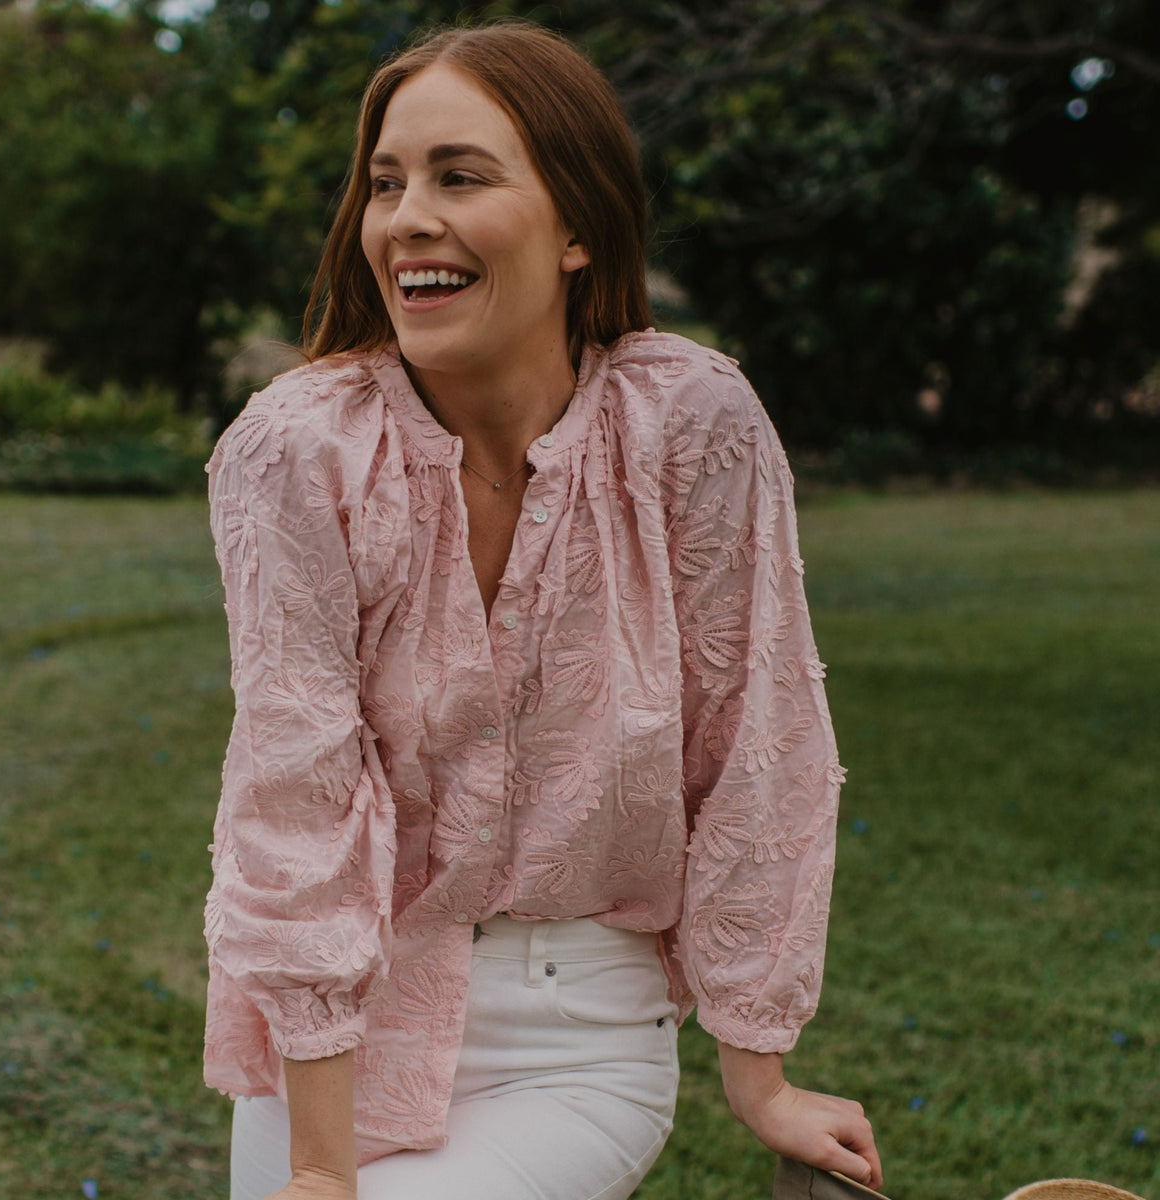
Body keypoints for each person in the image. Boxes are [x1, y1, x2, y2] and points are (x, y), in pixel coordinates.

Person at [204, 20, 882, 1200]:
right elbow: (294, 796)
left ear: (577, 227)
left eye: (459, 176)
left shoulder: (691, 424)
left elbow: (757, 744)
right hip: (332, 1060)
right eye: (385, 184)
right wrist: (319, 1170)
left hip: (579, 1040)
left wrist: (759, 1073)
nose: (406, 216)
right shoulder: (300, 450)